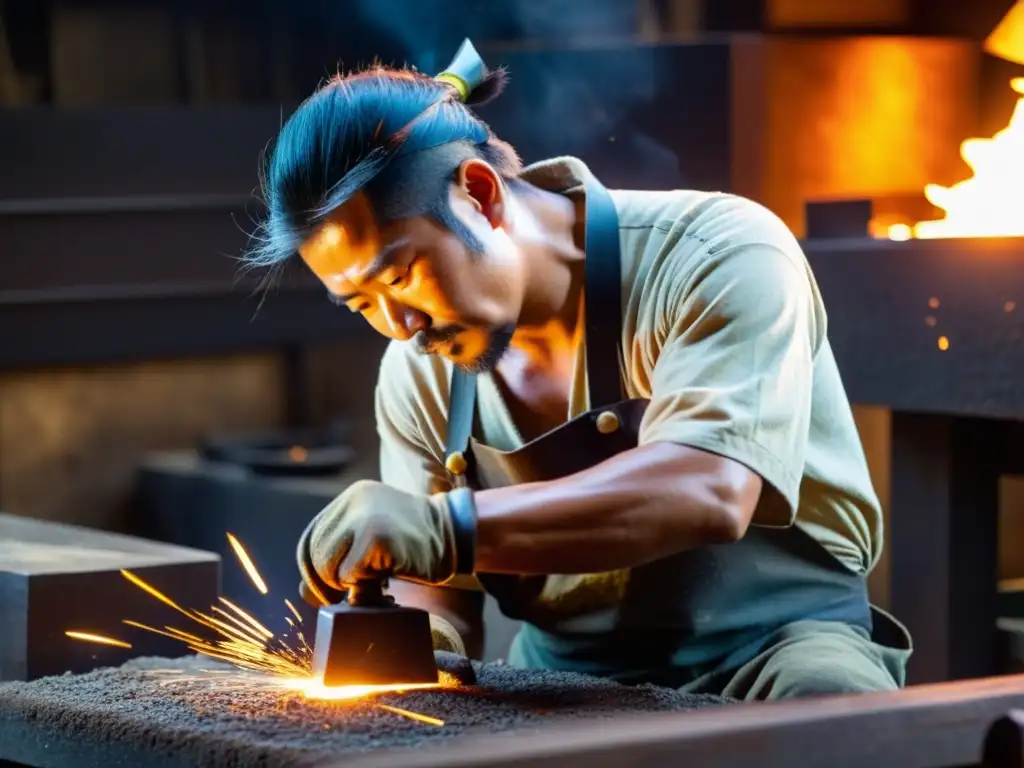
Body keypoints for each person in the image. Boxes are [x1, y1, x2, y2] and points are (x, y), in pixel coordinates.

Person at [251, 40, 911, 700]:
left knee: (833, 708)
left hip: (774, 651)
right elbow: (438, 591)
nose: (401, 326)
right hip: (567, 679)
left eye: (400, 277)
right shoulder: (416, 374)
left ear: (479, 195)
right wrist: (417, 645)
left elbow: (710, 487)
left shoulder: (718, 255)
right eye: (364, 303)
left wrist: (447, 528)